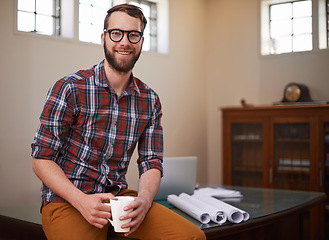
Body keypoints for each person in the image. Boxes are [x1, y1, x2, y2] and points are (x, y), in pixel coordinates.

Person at [31, 4, 206, 240]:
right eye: (116, 33)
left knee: (192, 237)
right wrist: (81, 201)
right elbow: (42, 158)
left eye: (133, 35)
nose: (124, 42)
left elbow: (151, 162)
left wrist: (144, 201)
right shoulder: (70, 88)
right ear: (104, 37)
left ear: (141, 41)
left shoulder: (150, 99)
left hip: (119, 197)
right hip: (68, 200)